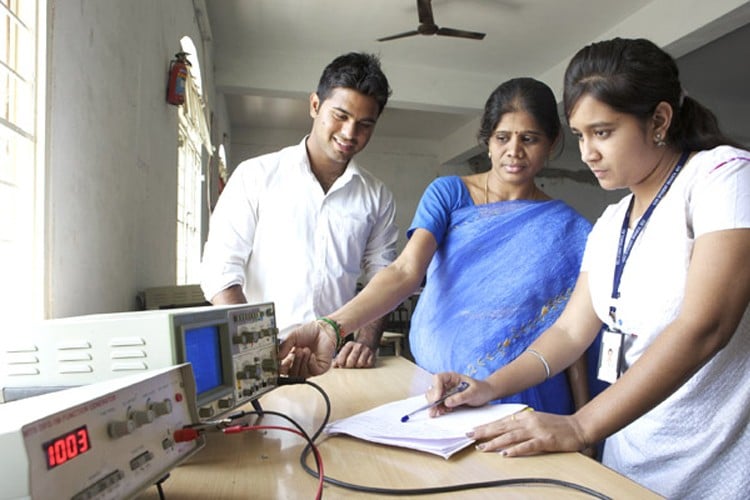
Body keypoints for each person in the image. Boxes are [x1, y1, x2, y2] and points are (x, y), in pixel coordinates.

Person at [424, 38, 750, 500]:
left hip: (712, 465)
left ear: (658, 120)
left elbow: (706, 325)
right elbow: (569, 334)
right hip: (629, 459)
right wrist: (488, 385)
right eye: (579, 135)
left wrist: (580, 425)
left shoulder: (723, 177)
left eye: (602, 132)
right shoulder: (611, 222)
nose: (587, 153)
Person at [281, 78, 597, 417]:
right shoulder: (449, 194)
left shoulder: (570, 229)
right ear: (487, 142)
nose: (514, 151)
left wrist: (581, 418)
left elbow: (568, 328)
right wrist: (333, 325)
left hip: (529, 395)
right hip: (436, 387)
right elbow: (405, 271)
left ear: (552, 143)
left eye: (530, 139)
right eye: (503, 138)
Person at [200, 52, 399, 368]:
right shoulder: (256, 176)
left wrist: (365, 342)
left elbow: (384, 277)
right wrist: (258, 347)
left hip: (334, 359)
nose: (350, 133)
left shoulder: (377, 197)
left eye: (364, 124)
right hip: (262, 356)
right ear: (315, 106)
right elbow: (220, 272)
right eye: (340, 115)